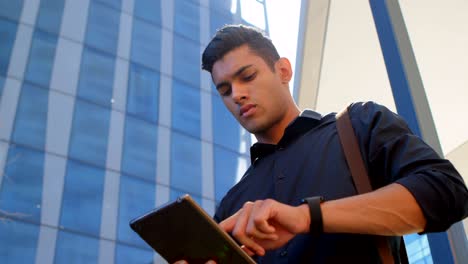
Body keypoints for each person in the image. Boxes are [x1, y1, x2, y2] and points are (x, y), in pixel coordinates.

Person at [186, 24, 468, 263]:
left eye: (247, 77)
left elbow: (445, 192)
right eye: (225, 90)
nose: (237, 94)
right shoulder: (231, 206)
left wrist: (309, 216)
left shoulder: (359, 124)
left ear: (283, 70)